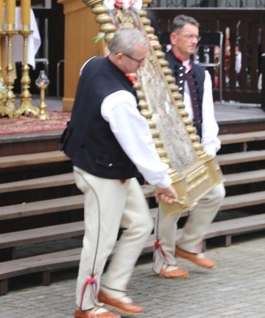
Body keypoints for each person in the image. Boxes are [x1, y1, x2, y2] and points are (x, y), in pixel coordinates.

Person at [62, 27, 178, 318]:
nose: (142, 67)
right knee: (100, 240)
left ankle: (112, 288)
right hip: (100, 173)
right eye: (138, 61)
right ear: (117, 55)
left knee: (140, 223)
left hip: (109, 166)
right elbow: (138, 144)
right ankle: (85, 304)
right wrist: (163, 182)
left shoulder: (91, 64)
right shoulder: (118, 99)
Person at [155, 15, 226, 279]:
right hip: (166, 145)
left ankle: (188, 244)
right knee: (171, 204)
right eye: (190, 36)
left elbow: (207, 114)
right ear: (174, 38)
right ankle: (164, 262)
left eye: (197, 37)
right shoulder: (157, 68)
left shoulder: (201, 73)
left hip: (195, 146)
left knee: (216, 192)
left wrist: (209, 150)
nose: (195, 41)